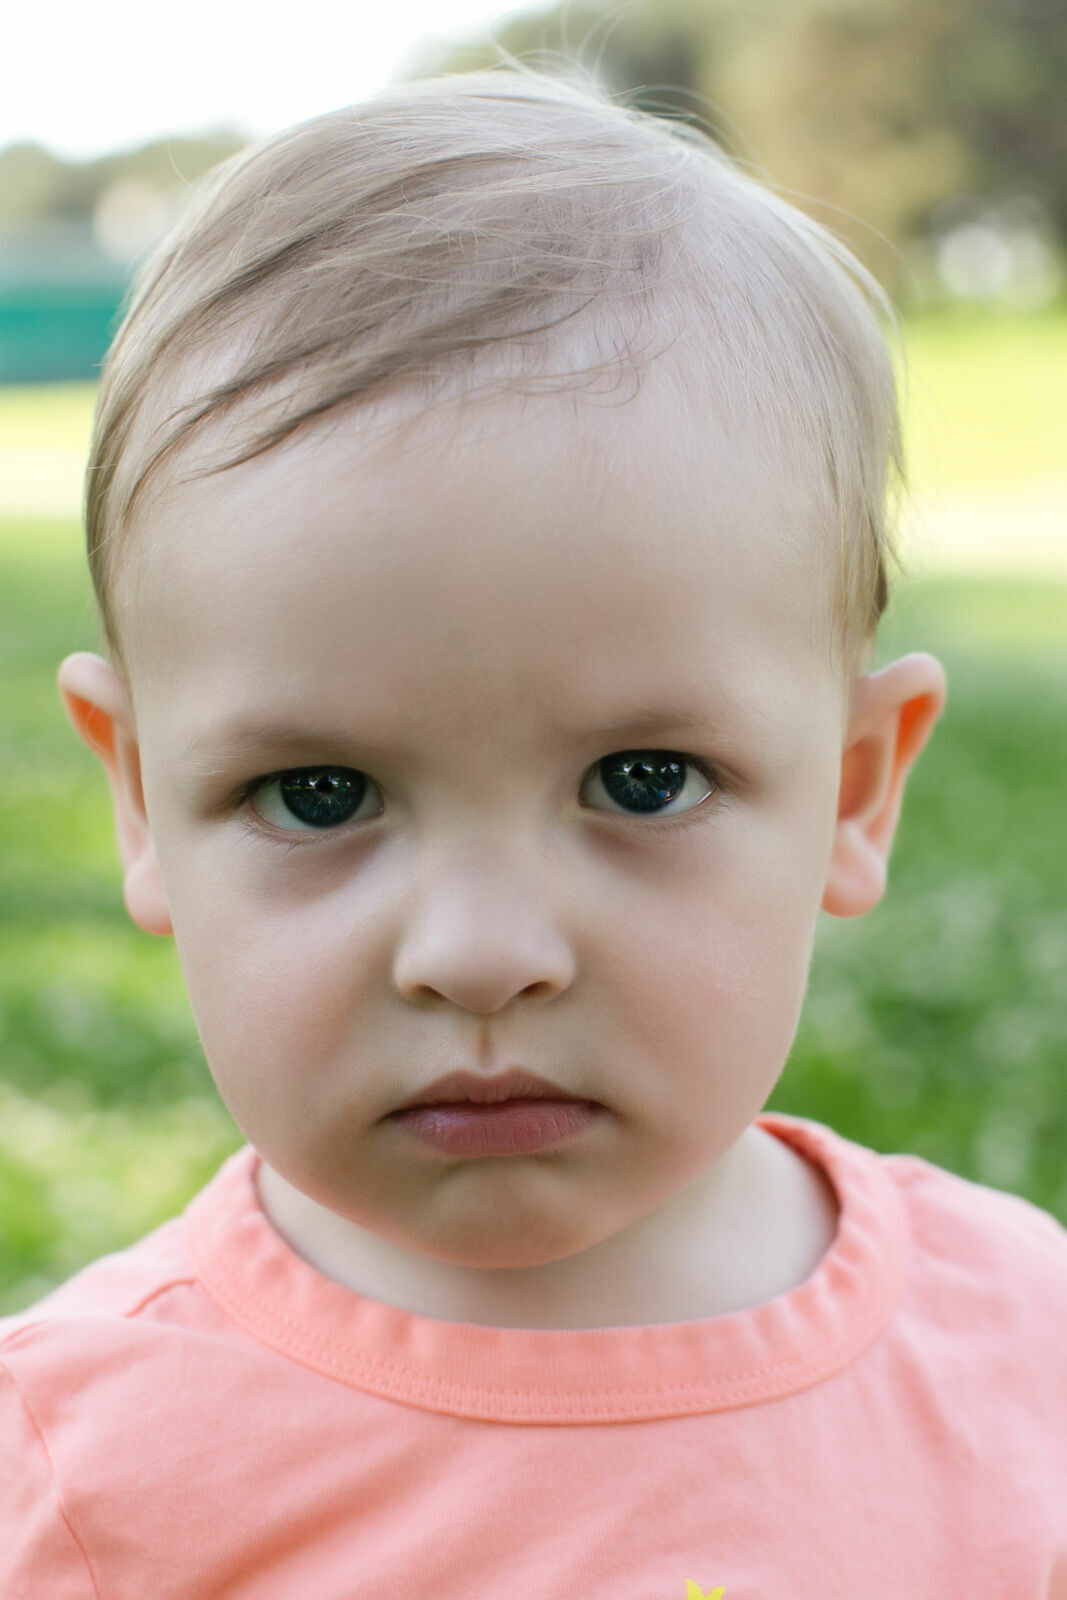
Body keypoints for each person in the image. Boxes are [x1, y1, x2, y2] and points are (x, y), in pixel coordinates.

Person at [1, 69, 1064, 1599]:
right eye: (319, 794)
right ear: (139, 797)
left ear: (853, 788)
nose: (481, 953)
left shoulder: (1026, 1361)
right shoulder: (73, 1470)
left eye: (643, 780)